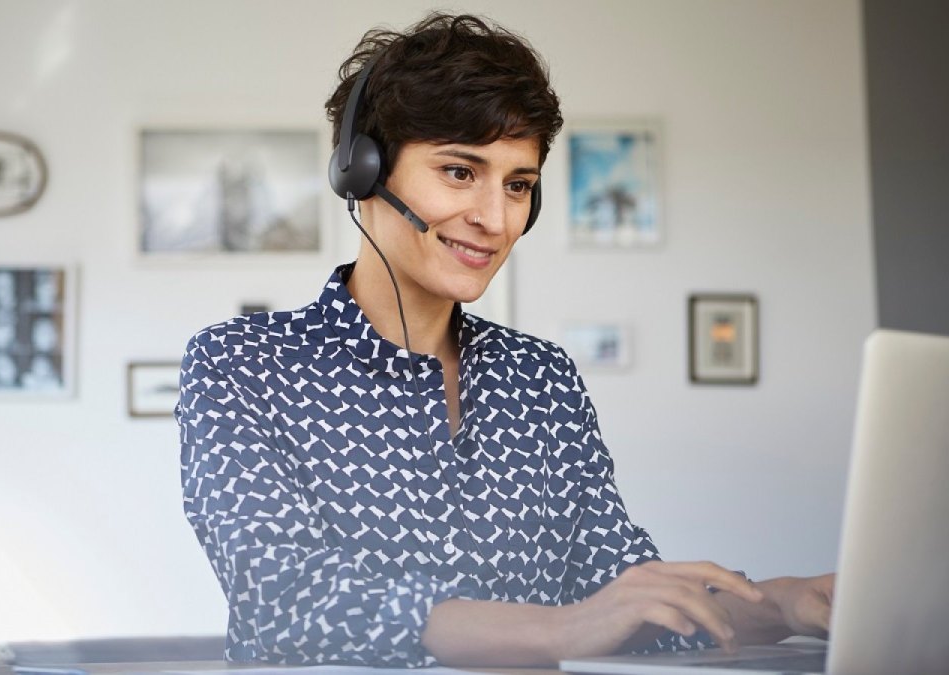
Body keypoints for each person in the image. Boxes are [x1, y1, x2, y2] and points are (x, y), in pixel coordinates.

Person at [176, 13, 834, 668]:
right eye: (460, 172)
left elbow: (622, 593)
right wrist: (559, 631)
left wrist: (780, 602)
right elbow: (286, 596)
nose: (494, 219)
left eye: (518, 185)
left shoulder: (541, 378)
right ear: (363, 170)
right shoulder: (243, 364)